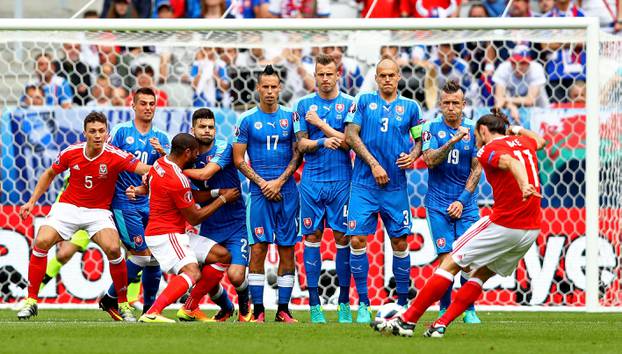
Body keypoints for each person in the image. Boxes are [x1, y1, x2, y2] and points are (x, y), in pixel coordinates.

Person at [375, 108, 546, 338]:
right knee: (481, 274)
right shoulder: (523, 143)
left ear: (483, 131)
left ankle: (407, 320)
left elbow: (508, 161)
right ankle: (440, 324)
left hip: (504, 223)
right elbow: (541, 140)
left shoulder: (488, 150)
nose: (475, 141)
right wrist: (515, 129)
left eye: (477, 135)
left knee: (450, 262)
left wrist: (524, 184)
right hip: (530, 229)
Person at [16, 111, 151, 321]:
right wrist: (32, 201)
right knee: (42, 240)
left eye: (101, 131)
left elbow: (144, 169)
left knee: (114, 248)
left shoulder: (116, 155)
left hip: (98, 212)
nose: (98, 135)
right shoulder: (71, 152)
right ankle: (31, 301)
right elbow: (50, 173)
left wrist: (168, 168)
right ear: (85, 133)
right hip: (68, 207)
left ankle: (123, 304)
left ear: (107, 133)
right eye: (93, 131)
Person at [344, 57, 424, 323]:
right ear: (376, 78)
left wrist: (413, 154)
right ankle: (364, 303)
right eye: (382, 75)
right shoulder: (364, 102)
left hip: (395, 187)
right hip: (364, 184)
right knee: (357, 240)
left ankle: (402, 303)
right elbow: (351, 135)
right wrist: (375, 164)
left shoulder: (411, 107)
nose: (387, 79)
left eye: (391, 75)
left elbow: (420, 140)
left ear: (399, 76)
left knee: (400, 242)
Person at [137, 133, 239, 323]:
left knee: (222, 256)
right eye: (195, 154)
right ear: (187, 152)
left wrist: (217, 191)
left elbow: (188, 195)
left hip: (173, 232)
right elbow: (194, 217)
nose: (196, 158)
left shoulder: (160, 164)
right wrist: (223, 200)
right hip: (166, 234)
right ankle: (153, 312)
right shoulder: (178, 179)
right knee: (192, 272)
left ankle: (190, 308)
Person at [233, 65, 302, 323]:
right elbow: (239, 159)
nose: (270, 91)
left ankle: (283, 309)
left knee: (287, 249)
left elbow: (298, 153)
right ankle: (259, 310)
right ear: (258, 88)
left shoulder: (291, 118)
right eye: (266, 87)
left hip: (287, 192)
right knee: (259, 249)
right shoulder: (247, 119)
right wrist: (264, 184)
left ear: (280, 88)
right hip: (259, 195)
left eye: (274, 87)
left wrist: (280, 181)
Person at [97, 87, 170, 319]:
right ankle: (111, 298)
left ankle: (150, 311)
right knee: (142, 254)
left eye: (152, 103)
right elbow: (106, 162)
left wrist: (164, 154)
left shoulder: (162, 138)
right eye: (144, 103)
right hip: (124, 202)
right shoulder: (120, 132)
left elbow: (167, 171)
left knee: (155, 256)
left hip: (152, 203)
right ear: (134, 106)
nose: (148, 107)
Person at [293, 54, 354, 324]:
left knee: (343, 239)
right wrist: (319, 143)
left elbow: (351, 143)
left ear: (338, 75)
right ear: (315, 76)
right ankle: (314, 304)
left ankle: (343, 303)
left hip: (342, 181)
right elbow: (300, 145)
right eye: (321, 74)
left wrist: (321, 126)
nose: (325, 78)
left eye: (330, 74)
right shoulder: (303, 104)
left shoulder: (350, 104)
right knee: (312, 239)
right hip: (312, 182)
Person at [176, 108, 252, 322]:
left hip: (236, 223)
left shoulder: (222, 148)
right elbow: (195, 195)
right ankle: (227, 308)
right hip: (210, 223)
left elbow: (206, 174)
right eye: (202, 127)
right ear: (193, 129)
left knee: (236, 275)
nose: (207, 131)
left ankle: (245, 305)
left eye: (211, 127)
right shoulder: (189, 157)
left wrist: (175, 168)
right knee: (202, 273)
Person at [420, 81, 482, 324]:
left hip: (465, 204)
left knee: (469, 257)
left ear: (464, 104)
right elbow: (430, 160)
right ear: (440, 105)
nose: (451, 108)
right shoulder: (430, 129)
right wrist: (453, 141)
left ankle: (469, 309)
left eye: (456, 103)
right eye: (446, 103)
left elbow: (476, 170)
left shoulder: (475, 131)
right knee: (446, 257)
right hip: (437, 204)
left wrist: (462, 201)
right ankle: (445, 308)